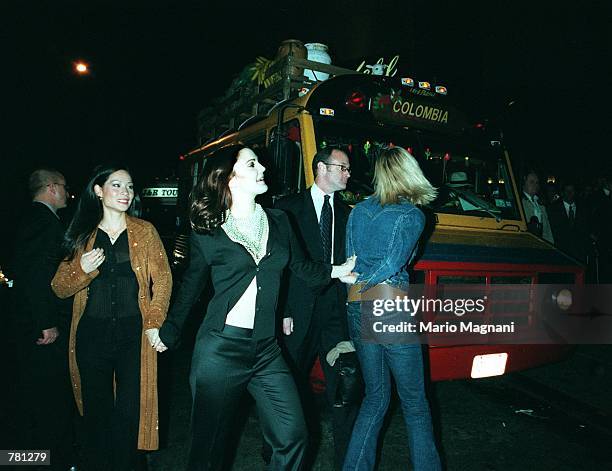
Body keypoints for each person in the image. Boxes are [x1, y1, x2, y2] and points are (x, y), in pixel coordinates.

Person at [157, 144, 355, 471]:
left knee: (294, 436)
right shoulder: (208, 230)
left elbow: (301, 267)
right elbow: (191, 287)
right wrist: (170, 329)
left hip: (266, 350)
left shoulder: (279, 221)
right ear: (229, 178)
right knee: (208, 452)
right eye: (252, 164)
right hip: (220, 350)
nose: (263, 167)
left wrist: (337, 271)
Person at [51, 165, 172, 471]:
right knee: (96, 412)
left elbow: (164, 280)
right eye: (116, 185)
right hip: (92, 337)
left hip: (134, 336)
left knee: (131, 413)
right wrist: (83, 269)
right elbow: (59, 288)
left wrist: (154, 322)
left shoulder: (145, 231)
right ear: (98, 190)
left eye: (129, 187)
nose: (125, 193)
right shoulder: (82, 234)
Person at [342, 146, 441, 471]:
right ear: (408, 172)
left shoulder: (356, 211)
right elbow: (395, 262)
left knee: (375, 398)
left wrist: (361, 288)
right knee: (415, 404)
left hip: (357, 306)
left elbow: (350, 263)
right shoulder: (413, 215)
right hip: (389, 306)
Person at [274, 147, 361, 469]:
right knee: (287, 393)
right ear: (322, 168)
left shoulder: (349, 214)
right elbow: (279, 266)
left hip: (336, 317)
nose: (349, 174)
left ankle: (347, 462)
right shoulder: (287, 208)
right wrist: (281, 310)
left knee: (345, 390)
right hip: (295, 316)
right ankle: (279, 458)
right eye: (344, 167)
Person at [10, 168, 75, 469]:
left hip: (35, 321)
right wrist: (46, 321)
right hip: (42, 327)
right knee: (46, 395)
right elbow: (36, 276)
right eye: (63, 186)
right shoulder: (43, 224)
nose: (66, 191)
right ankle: (44, 459)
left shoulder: (37, 220)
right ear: (51, 187)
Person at [548, 182, 589, 263]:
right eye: (567, 191)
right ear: (562, 193)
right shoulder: (554, 209)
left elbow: (585, 230)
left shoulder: (583, 209)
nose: (570, 193)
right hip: (561, 251)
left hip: (579, 253)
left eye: (572, 190)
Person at [522, 171, 554, 244]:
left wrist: (551, 245)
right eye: (531, 182)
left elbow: (547, 230)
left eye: (537, 183)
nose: (535, 185)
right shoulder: (521, 203)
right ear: (524, 183)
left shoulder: (541, 205)